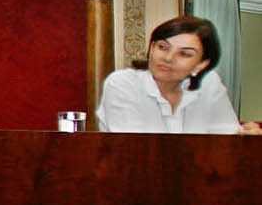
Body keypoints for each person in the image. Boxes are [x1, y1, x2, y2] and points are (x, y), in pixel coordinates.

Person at [96, 15, 261, 134]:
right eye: (162, 47)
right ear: (151, 48)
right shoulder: (122, 83)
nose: (168, 58)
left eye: (184, 54)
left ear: (202, 64)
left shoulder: (209, 83)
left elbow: (226, 139)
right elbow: (137, 149)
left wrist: (246, 138)